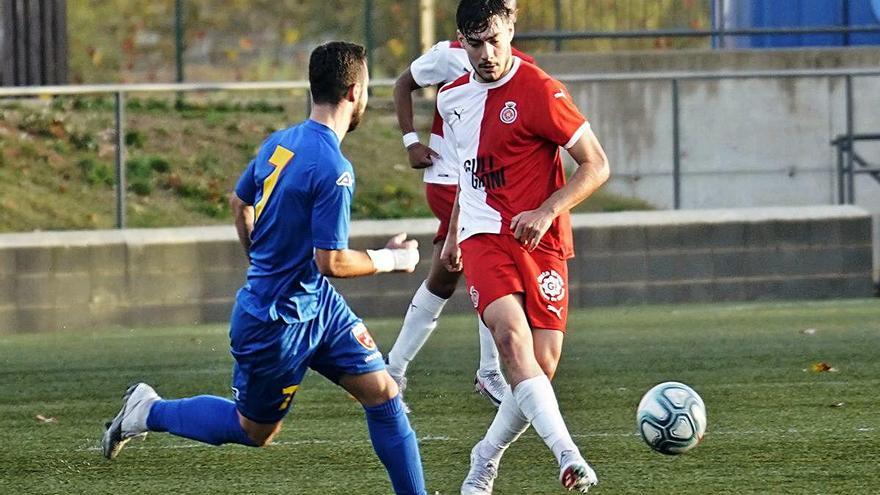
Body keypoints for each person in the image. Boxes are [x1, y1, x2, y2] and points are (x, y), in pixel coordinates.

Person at [101, 41, 428, 495]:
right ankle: (147, 410)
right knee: (255, 431)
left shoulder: (282, 141)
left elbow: (240, 202)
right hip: (275, 323)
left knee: (384, 395)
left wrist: (262, 258)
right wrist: (396, 260)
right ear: (355, 92)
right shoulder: (335, 168)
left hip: (317, 307)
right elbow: (330, 260)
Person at [437, 1, 611, 493]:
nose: (487, 53)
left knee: (541, 364)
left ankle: (485, 455)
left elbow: (596, 164)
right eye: (475, 43)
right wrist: (453, 237)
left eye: (495, 39)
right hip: (483, 237)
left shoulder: (540, 90)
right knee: (512, 342)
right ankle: (569, 456)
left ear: (511, 28)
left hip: (541, 239)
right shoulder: (451, 99)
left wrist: (546, 211)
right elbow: (466, 180)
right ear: (461, 39)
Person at [387, 0, 532, 409]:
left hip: (485, 185)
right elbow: (402, 83)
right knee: (491, 264)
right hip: (452, 180)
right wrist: (410, 141)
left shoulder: (518, 64)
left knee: (445, 277)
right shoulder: (454, 54)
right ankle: (489, 371)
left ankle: (393, 369)